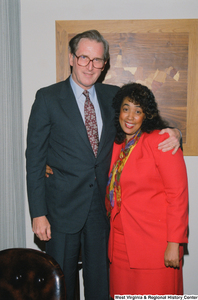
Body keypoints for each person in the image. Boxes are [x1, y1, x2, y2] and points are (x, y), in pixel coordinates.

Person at [26, 30, 181, 300]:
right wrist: (38, 214)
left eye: (98, 60)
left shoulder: (114, 96)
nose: (90, 66)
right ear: (72, 59)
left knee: (101, 284)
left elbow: (144, 120)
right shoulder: (47, 98)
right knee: (62, 284)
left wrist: (176, 133)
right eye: (84, 58)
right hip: (61, 211)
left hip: (103, 211)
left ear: (105, 64)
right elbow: (35, 159)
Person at [105, 82, 188, 297]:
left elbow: (177, 196)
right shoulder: (117, 144)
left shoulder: (162, 141)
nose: (130, 117)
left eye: (138, 111)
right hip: (120, 247)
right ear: (119, 112)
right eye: (126, 109)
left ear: (147, 115)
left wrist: (174, 244)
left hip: (155, 247)